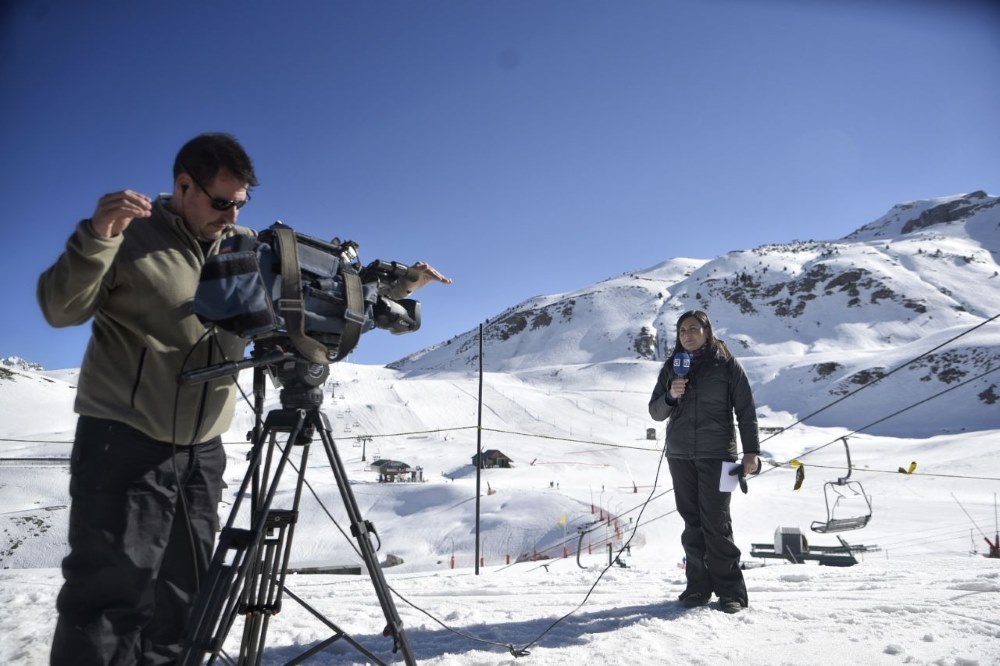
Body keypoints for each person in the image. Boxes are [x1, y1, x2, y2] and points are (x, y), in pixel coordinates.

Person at [38, 133, 451, 665]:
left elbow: (320, 287)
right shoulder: (129, 236)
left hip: (201, 451)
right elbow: (59, 308)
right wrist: (96, 238)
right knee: (109, 597)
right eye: (220, 201)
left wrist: (401, 286)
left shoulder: (250, 247)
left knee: (184, 596)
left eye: (240, 203)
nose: (231, 213)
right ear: (183, 185)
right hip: (123, 441)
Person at [648, 310, 759, 614]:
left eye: (694, 329)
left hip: (723, 456)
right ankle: (697, 588)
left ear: (708, 332)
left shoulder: (727, 364)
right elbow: (655, 412)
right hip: (679, 455)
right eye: (682, 330)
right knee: (692, 523)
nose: (687, 334)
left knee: (718, 523)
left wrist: (751, 452)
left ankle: (731, 593)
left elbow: (746, 410)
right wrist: (670, 395)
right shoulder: (672, 368)